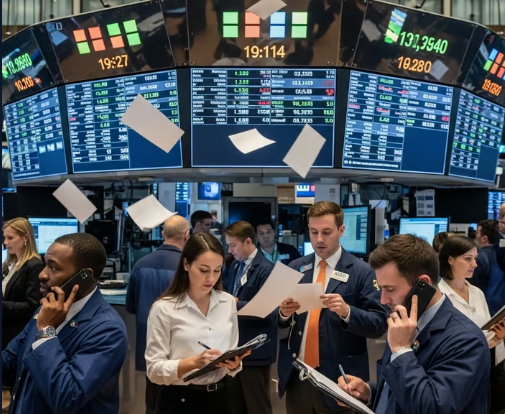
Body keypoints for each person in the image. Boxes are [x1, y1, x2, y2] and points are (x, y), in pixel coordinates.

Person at [337, 234, 490, 414]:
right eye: (381, 288)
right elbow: (399, 389)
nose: (383, 300)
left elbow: (432, 408)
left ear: (422, 284)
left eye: (390, 289)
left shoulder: (467, 341)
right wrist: (369, 393)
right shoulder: (404, 320)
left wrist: (401, 350)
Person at [278, 201, 387, 414]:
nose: (319, 239)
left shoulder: (362, 271)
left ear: (341, 230)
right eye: (313, 232)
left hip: (340, 380)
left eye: (326, 232)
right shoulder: (295, 267)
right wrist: (283, 313)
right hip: (298, 375)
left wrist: (348, 312)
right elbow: (276, 318)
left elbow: (379, 324)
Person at [2, 233, 128, 414]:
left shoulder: (107, 329)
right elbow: (11, 363)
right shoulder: (46, 309)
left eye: (53, 268)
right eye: (45, 264)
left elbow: (67, 397)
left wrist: (46, 331)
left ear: (84, 276)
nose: (42, 274)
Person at [145, 233, 249, 414]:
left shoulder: (228, 302)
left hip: (221, 398)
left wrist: (233, 365)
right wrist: (193, 362)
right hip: (179, 401)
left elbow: (232, 351)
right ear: (186, 264)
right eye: (204, 270)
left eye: (217, 270)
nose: (211, 278)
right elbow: (154, 370)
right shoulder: (164, 308)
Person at [126, 215, 190, 414]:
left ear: (163, 234)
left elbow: (131, 306)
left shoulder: (141, 264)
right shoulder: (188, 266)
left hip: (150, 349)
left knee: (153, 404)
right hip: (179, 352)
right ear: (187, 235)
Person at [440, 235, 505, 414]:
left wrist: (498, 336)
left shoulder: (477, 293)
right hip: (459, 371)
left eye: (475, 259)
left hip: (489, 365)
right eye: (468, 259)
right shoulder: (439, 296)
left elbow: (485, 330)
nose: (474, 264)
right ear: (450, 259)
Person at [223, 221, 275, 414]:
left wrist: (233, 303)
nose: (230, 250)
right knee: (236, 407)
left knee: (257, 407)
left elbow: (267, 310)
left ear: (247, 242)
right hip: (234, 349)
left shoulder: (267, 269)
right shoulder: (235, 266)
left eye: (233, 245)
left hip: (255, 351)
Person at [2, 218, 44, 350]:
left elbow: (32, 306)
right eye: (4, 238)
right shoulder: (9, 264)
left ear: (25, 238)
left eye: (10, 238)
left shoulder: (34, 265)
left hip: (17, 333)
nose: (5, 242)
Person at [473, 219, 505, 316]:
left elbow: (475, 289)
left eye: (477, 233)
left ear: (484, 238)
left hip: (488, 308)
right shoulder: (502, 254)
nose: (475, 236)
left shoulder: (478, 258)